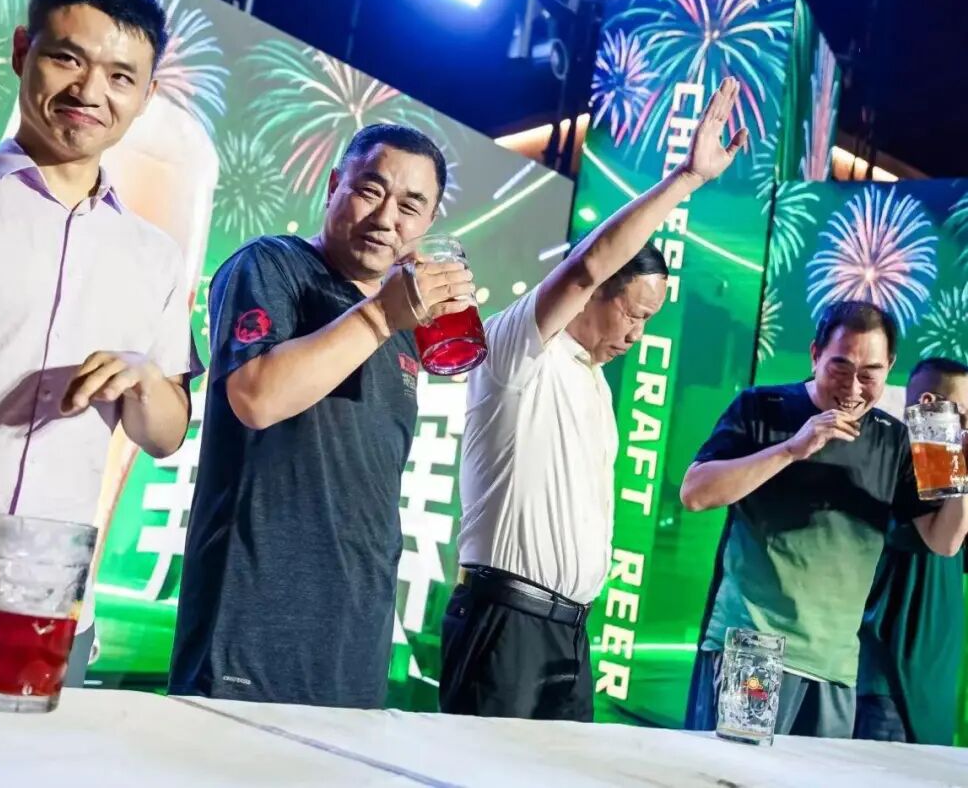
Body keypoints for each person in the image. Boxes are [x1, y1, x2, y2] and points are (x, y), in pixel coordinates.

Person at [0, 0, 200, 684]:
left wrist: (144, 379)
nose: (91, 91)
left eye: (121, 77)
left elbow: (166, 434)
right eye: (67, 58)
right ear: (21, 50)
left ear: (147, 96)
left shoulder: (156, 256)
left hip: (45, 620)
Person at [438, 78, 749, 721]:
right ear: (597, 293)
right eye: (633, 314)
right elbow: (583, 267)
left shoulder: (596, 383)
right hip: (505, 621)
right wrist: (687, 180)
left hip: (570, 633)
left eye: (649, 322)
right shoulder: (520, 347)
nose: (637, 335)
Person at [168, 123, 476, 708]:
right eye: (370, 190)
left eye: (411, 206)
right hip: (250, 624)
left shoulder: (404, 318)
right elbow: (255, 398)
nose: (386, 218)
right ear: (335, 186)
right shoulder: (272, 265)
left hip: (355, 631)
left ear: (429, 223)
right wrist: (381, 316)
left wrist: (393, 314)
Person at [681, 303, 968, 739]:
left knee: (818, 774)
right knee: (733, 769)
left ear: (889, 367)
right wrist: (791, 449)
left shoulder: (895, 440)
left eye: (869, 373)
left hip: (834, 667)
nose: (853, 387)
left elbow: (943, 541)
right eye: (840, 368)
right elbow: (695, 493)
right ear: (815, 354)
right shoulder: (763, 406)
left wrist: (960, 467)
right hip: (753, 650)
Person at [855, 357, 968, 744]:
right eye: (963, 413)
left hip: (933, 682)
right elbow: (946, 541)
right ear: (930, 404)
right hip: (891, 682)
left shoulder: (949, 461)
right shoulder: (906, 454)